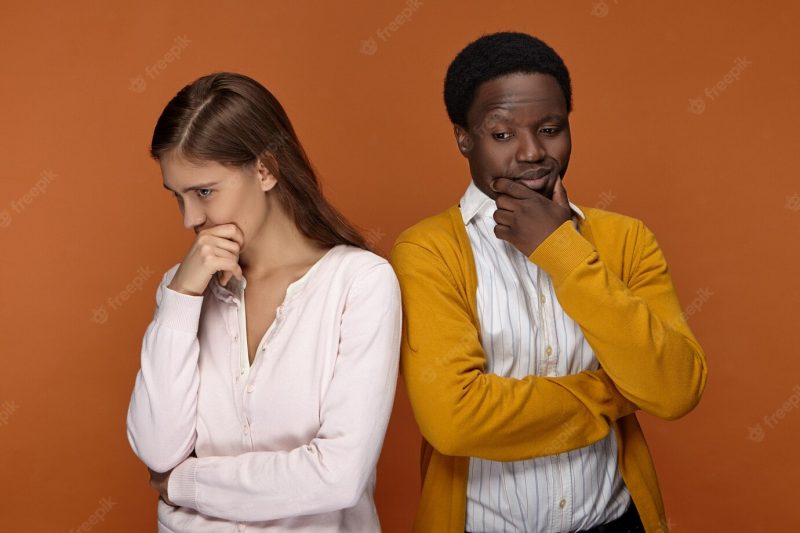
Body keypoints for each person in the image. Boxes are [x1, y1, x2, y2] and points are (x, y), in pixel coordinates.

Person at [390, 32, 708, 533]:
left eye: (550, 128)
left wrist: (562, 251)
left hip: (614, 522)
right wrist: (613, 394)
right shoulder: (428, 251)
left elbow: (675, 388)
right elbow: (454, 420)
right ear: (463, 138)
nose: (533, 152)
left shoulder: (625, 239)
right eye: (502, 134)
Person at [126, 72, 401, 532]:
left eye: (204, 192)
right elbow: (156, 449)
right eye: (178, 197)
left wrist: (185, 484)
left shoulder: (360, 283)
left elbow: (337, 477)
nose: (190, 218)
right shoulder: (182, 289)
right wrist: (181, 297)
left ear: (265, 169)